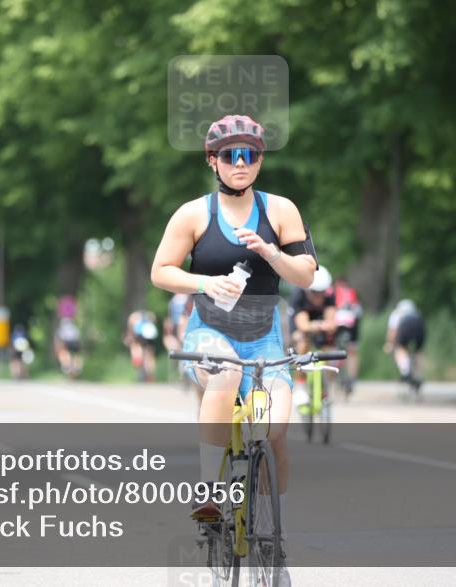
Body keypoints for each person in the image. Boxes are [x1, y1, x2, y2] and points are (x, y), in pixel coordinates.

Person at [150, 114, 318, 583]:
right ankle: (208, 494)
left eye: (251, 155)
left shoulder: (280, 210)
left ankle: (275, 543)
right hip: (210, 331)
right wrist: (205, 281)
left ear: (261, 160)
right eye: (231, 155)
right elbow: (161, 270)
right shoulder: (194, 214)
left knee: (274, 431)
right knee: (223, 374)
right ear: (213, 161)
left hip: (265, 336)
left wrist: (271, 253)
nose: (241, 163)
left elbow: (306, 274)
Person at [288, 265, 336, 409]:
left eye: (322, 293)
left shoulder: (329, 295)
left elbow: (331, 321)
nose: (319, 296)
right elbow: (303, 325)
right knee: (302, 341)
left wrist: (327, 326)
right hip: (301, 320)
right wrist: (318, 326)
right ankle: (301, 386)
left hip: (318, 319)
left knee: (329, 349)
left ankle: (326, 387)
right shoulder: (299, 295)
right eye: (315, 293)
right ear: (308, 290)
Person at [384, 299, 425, 393]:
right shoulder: (416, 312)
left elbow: (392, 331)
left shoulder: (396, 313)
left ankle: (405, 371)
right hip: (419, 324)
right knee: (418, 351)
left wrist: (389, 343)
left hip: (406, 325)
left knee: (400, 348)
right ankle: (418, 375)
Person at [332, 276, 363, 396]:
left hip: (338, 319)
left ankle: (334, 374)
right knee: (352, 350)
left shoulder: (332, 291)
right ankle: (352, 378)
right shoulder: (352, 292)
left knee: (333, 347)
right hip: (353, 320)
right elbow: (359, 312)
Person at [124, 309, 158, 382]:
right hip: (150, 337)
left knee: (136, 349)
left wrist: (130, 338)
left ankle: (141, 371)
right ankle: (150, 374)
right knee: (150, 355)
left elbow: (131, 331)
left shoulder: (133, 317)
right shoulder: (149, 315)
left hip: (139, 337)